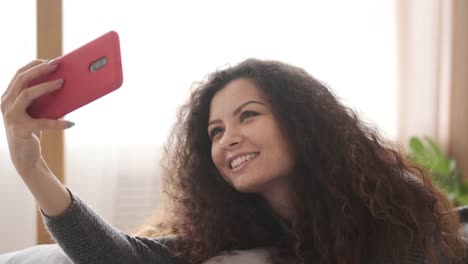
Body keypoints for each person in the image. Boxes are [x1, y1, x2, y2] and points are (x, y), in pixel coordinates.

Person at [1, 58, 466, 264]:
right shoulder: (238, 230)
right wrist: (30, 166)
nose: (228, 141)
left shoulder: (395, 213)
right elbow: (124, 258)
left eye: (248, 116)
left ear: (303, 124)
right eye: (215, 132)